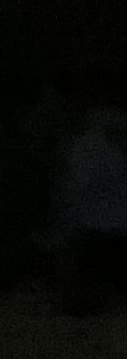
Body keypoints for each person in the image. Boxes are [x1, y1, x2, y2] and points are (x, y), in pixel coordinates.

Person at [58, 94, 127, 316]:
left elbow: (74, 186)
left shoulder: (89, 143)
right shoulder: (104, 139)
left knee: (87, 310)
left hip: (93, 233)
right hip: (110, 231)